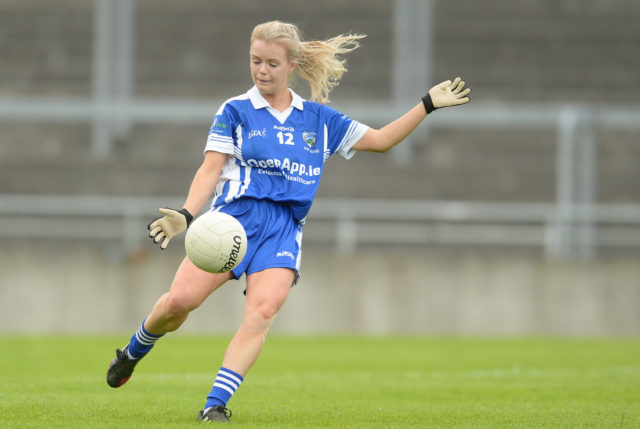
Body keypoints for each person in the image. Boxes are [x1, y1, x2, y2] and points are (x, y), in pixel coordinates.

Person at [106, 20, 470, 423]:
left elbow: (381, 140)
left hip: (282, 229)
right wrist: (187, 214)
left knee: (260, 313)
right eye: (255, 61)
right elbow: (210, 169)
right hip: (232, 221)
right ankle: (133, 351)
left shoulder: (318, 120)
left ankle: (215, 405)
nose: (262, 70)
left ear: (292, 65)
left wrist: (427, 104)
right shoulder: (236, 110)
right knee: (178, 304)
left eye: (271, 64)